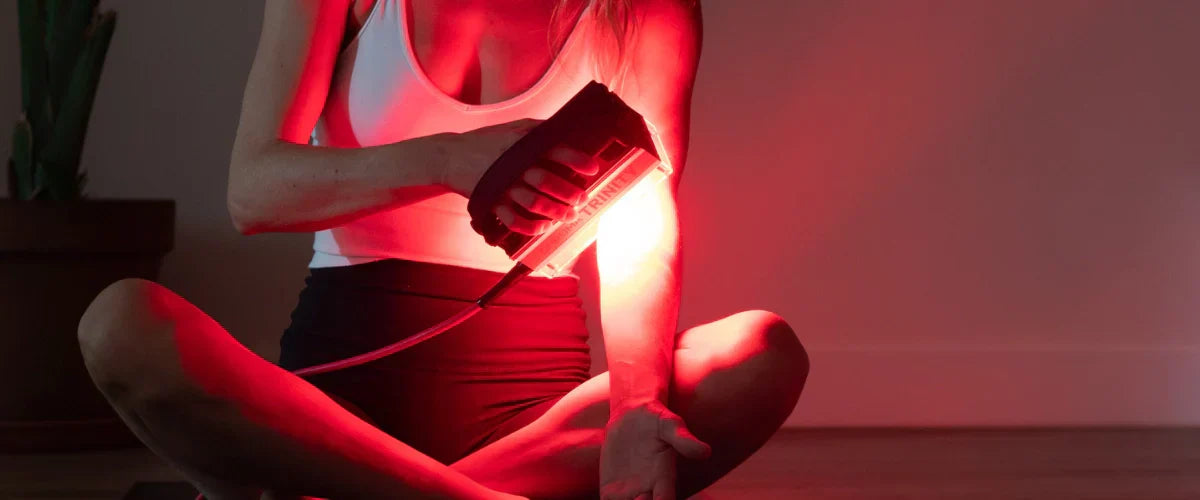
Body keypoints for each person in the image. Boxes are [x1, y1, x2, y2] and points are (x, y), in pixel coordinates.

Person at [76, 0, 808, 498]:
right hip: (327, 403)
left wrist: (635, 410)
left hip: (530, 420)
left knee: (760, 351)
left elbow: (643, 229)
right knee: (119, 326)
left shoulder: (640, 9)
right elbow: (254, 192)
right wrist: (448, 160)